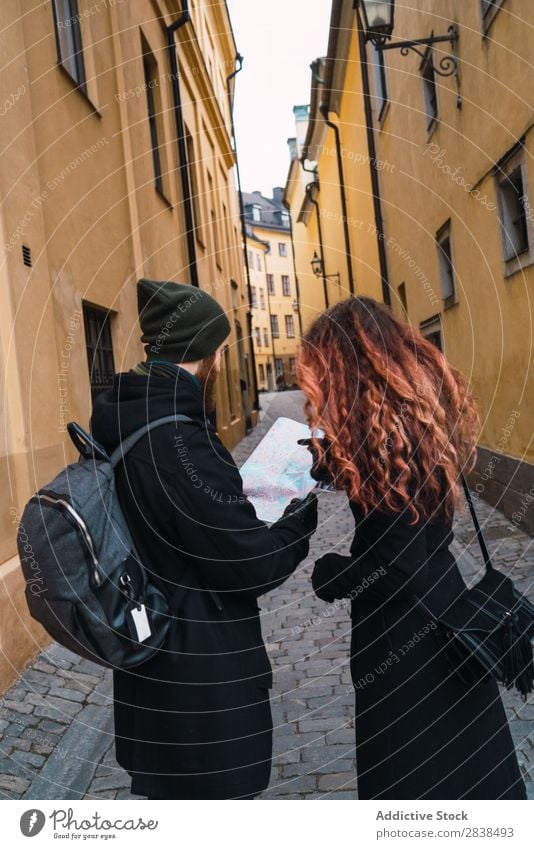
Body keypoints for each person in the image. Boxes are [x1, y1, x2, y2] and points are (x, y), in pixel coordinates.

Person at [90, 278, 317, 800]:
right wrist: (297, 513)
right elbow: (249, 565)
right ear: (209, 350)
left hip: (150, 672)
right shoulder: (179, 440)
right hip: (201, 686)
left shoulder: (124, 415)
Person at [297, 296, 526, 800]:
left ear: (345, 368)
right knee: (470, 770)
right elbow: (404, 507)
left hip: (410, 646)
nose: (316, 391)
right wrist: (329, 463)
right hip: (444, 613)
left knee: (417, 782)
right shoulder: (406, 414)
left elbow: (399, 567)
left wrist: (331, 573)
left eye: (319, 374)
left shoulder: (383, 439)